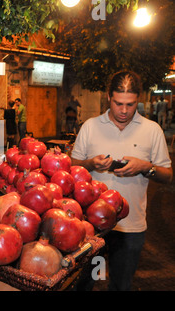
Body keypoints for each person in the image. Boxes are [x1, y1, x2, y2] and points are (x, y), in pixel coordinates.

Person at [71, 70, 173, 291]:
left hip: (131, 229)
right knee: (86, 283)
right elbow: (73, 165)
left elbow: (167, 175)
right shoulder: (90, 126)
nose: (124, 111)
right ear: (109, 97)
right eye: (118, 104)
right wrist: (91, 164)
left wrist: (145, 167)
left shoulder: (152, 130)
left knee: (121, 285)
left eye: (130, 104)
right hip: (92, 228)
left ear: (138, 100)